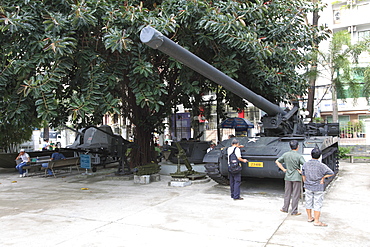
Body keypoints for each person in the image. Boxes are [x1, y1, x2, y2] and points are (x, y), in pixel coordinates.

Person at [302, 148, 334, 227]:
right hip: (318, 187)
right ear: (319, 156)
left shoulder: (305, 164)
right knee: (317, 203)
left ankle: (309, 217)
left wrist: (305, 183)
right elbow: (331, 173)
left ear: (311, 155)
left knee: (308, 202)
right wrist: (323, 178)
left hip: (308, 186)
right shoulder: (321, 165)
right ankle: (316, 221)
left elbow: (303, 175)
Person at [275, 140, 306, 215]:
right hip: (296, 176)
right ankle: (294, 211)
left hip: (288, 176)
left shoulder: (286, 154)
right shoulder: (299, 156)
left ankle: (285, 208)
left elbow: (277, 161)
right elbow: (305, 165)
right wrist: (301, 172)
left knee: (287, 193)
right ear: (298, 147)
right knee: (295, 194)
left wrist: (283, 169)